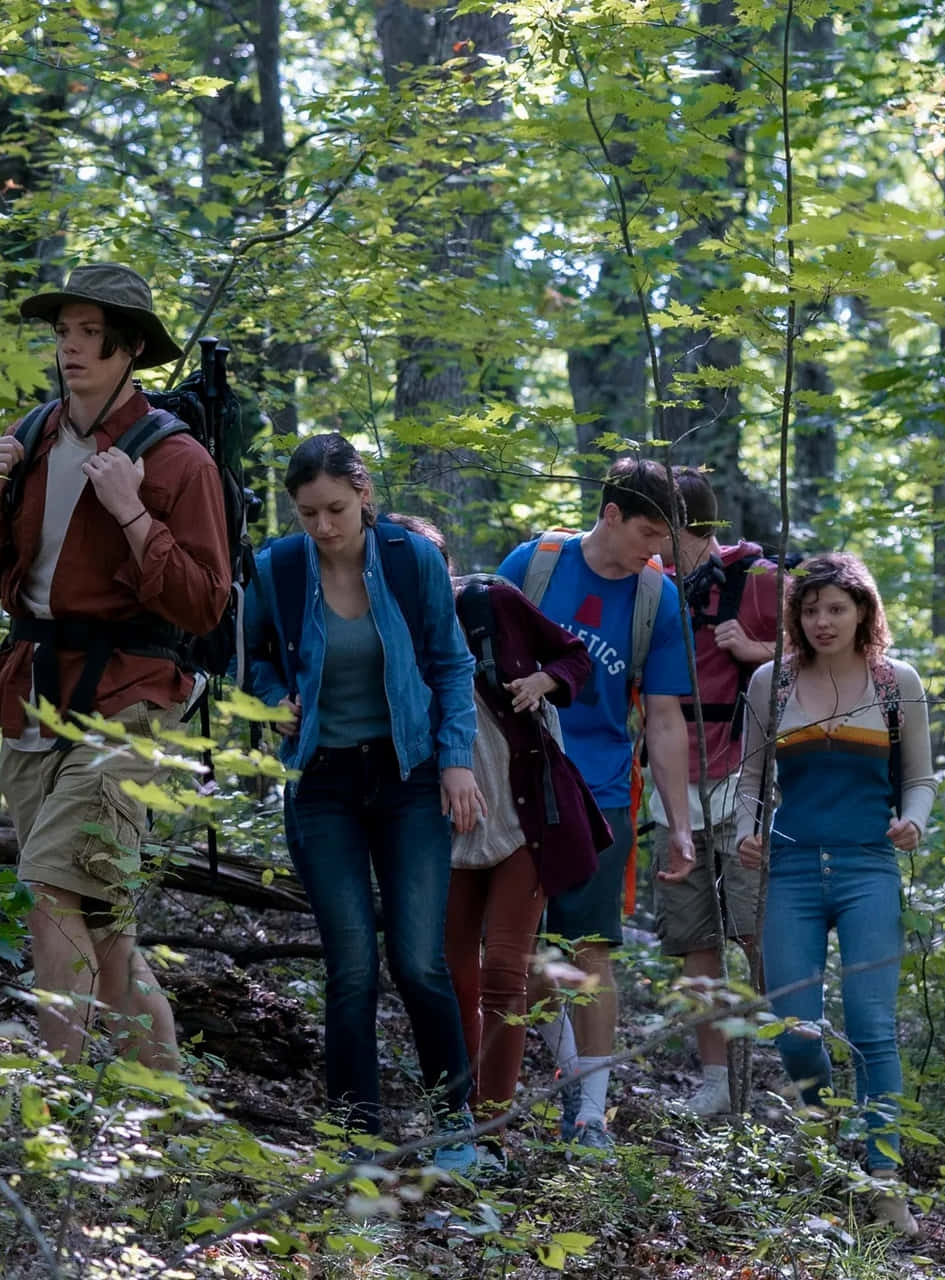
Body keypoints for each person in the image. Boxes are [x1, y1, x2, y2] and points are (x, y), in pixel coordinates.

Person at [0, 263, 231, 1072]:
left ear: (129, 349)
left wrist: (133, 511)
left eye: (88, 336)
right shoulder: (35, 436)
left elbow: (206, 603)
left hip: (131, 699)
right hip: (35, 694)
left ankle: (56, 1095)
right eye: (62, 333)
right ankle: (165, 1096)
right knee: (102, 919)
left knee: (50, 889)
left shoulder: (179, 462)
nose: (70, 350)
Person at [244, 436, 484, 1170]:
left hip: (408, 776)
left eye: (336, 509)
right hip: (322, 784)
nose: (323, 525)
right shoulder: (278, 568)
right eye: (309, 511)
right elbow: (247, 657)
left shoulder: (411, 562)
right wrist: (266, 701)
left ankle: (454, 1133)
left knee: (419, 960)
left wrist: (456, 762)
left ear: (365, 495)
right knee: (351, 965)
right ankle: (357, 1139)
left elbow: (451, 661)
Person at [385, 516, 610, 1156]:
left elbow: (573, 654)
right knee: (452, 975)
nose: (417, 576)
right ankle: (456, 1118)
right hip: (442, 828)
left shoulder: (490, 601)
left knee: (506, 973)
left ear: (446, 564)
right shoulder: (377, 632)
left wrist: (545, 681)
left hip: (521, 818)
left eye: (428, 562)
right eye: (401, 564)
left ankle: (491, 1129)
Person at [735, 552, 935, 1236]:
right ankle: (817, 1133)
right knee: (794, 1032)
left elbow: (920, 779)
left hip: (868, 869)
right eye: (810, 609)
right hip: (788, 871)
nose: (822, 621)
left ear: (863, 614)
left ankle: (883, 1182)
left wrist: (914, 821)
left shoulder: (895, 684)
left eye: (836, 609)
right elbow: (751, 778)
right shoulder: (771, 682)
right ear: (796, 616)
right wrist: (745, 832)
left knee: (874, 1027)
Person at [501, 458, 696, 1151]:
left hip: (605, 791)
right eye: (648, 530)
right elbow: (477, 664)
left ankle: (590, 1112)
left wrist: (680, 823)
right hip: (519, 782)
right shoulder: (536, 564)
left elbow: (666, 718)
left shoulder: (658, 598)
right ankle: (569, 1070)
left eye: (667, 536)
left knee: (591, 950)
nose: (659, 549)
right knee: (516, 949)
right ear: (610, 514)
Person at [654, 467, 780, 1116]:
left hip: (745, 781)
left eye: (664, 531)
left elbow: (828, 646)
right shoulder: (648, 584)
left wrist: (756, 648)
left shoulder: (757, 579)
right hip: (669, 789)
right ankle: (714, 1084)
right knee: (695, 940)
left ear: (692, 527)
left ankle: (788, 1067)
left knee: (761, 931)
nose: (655, 543)